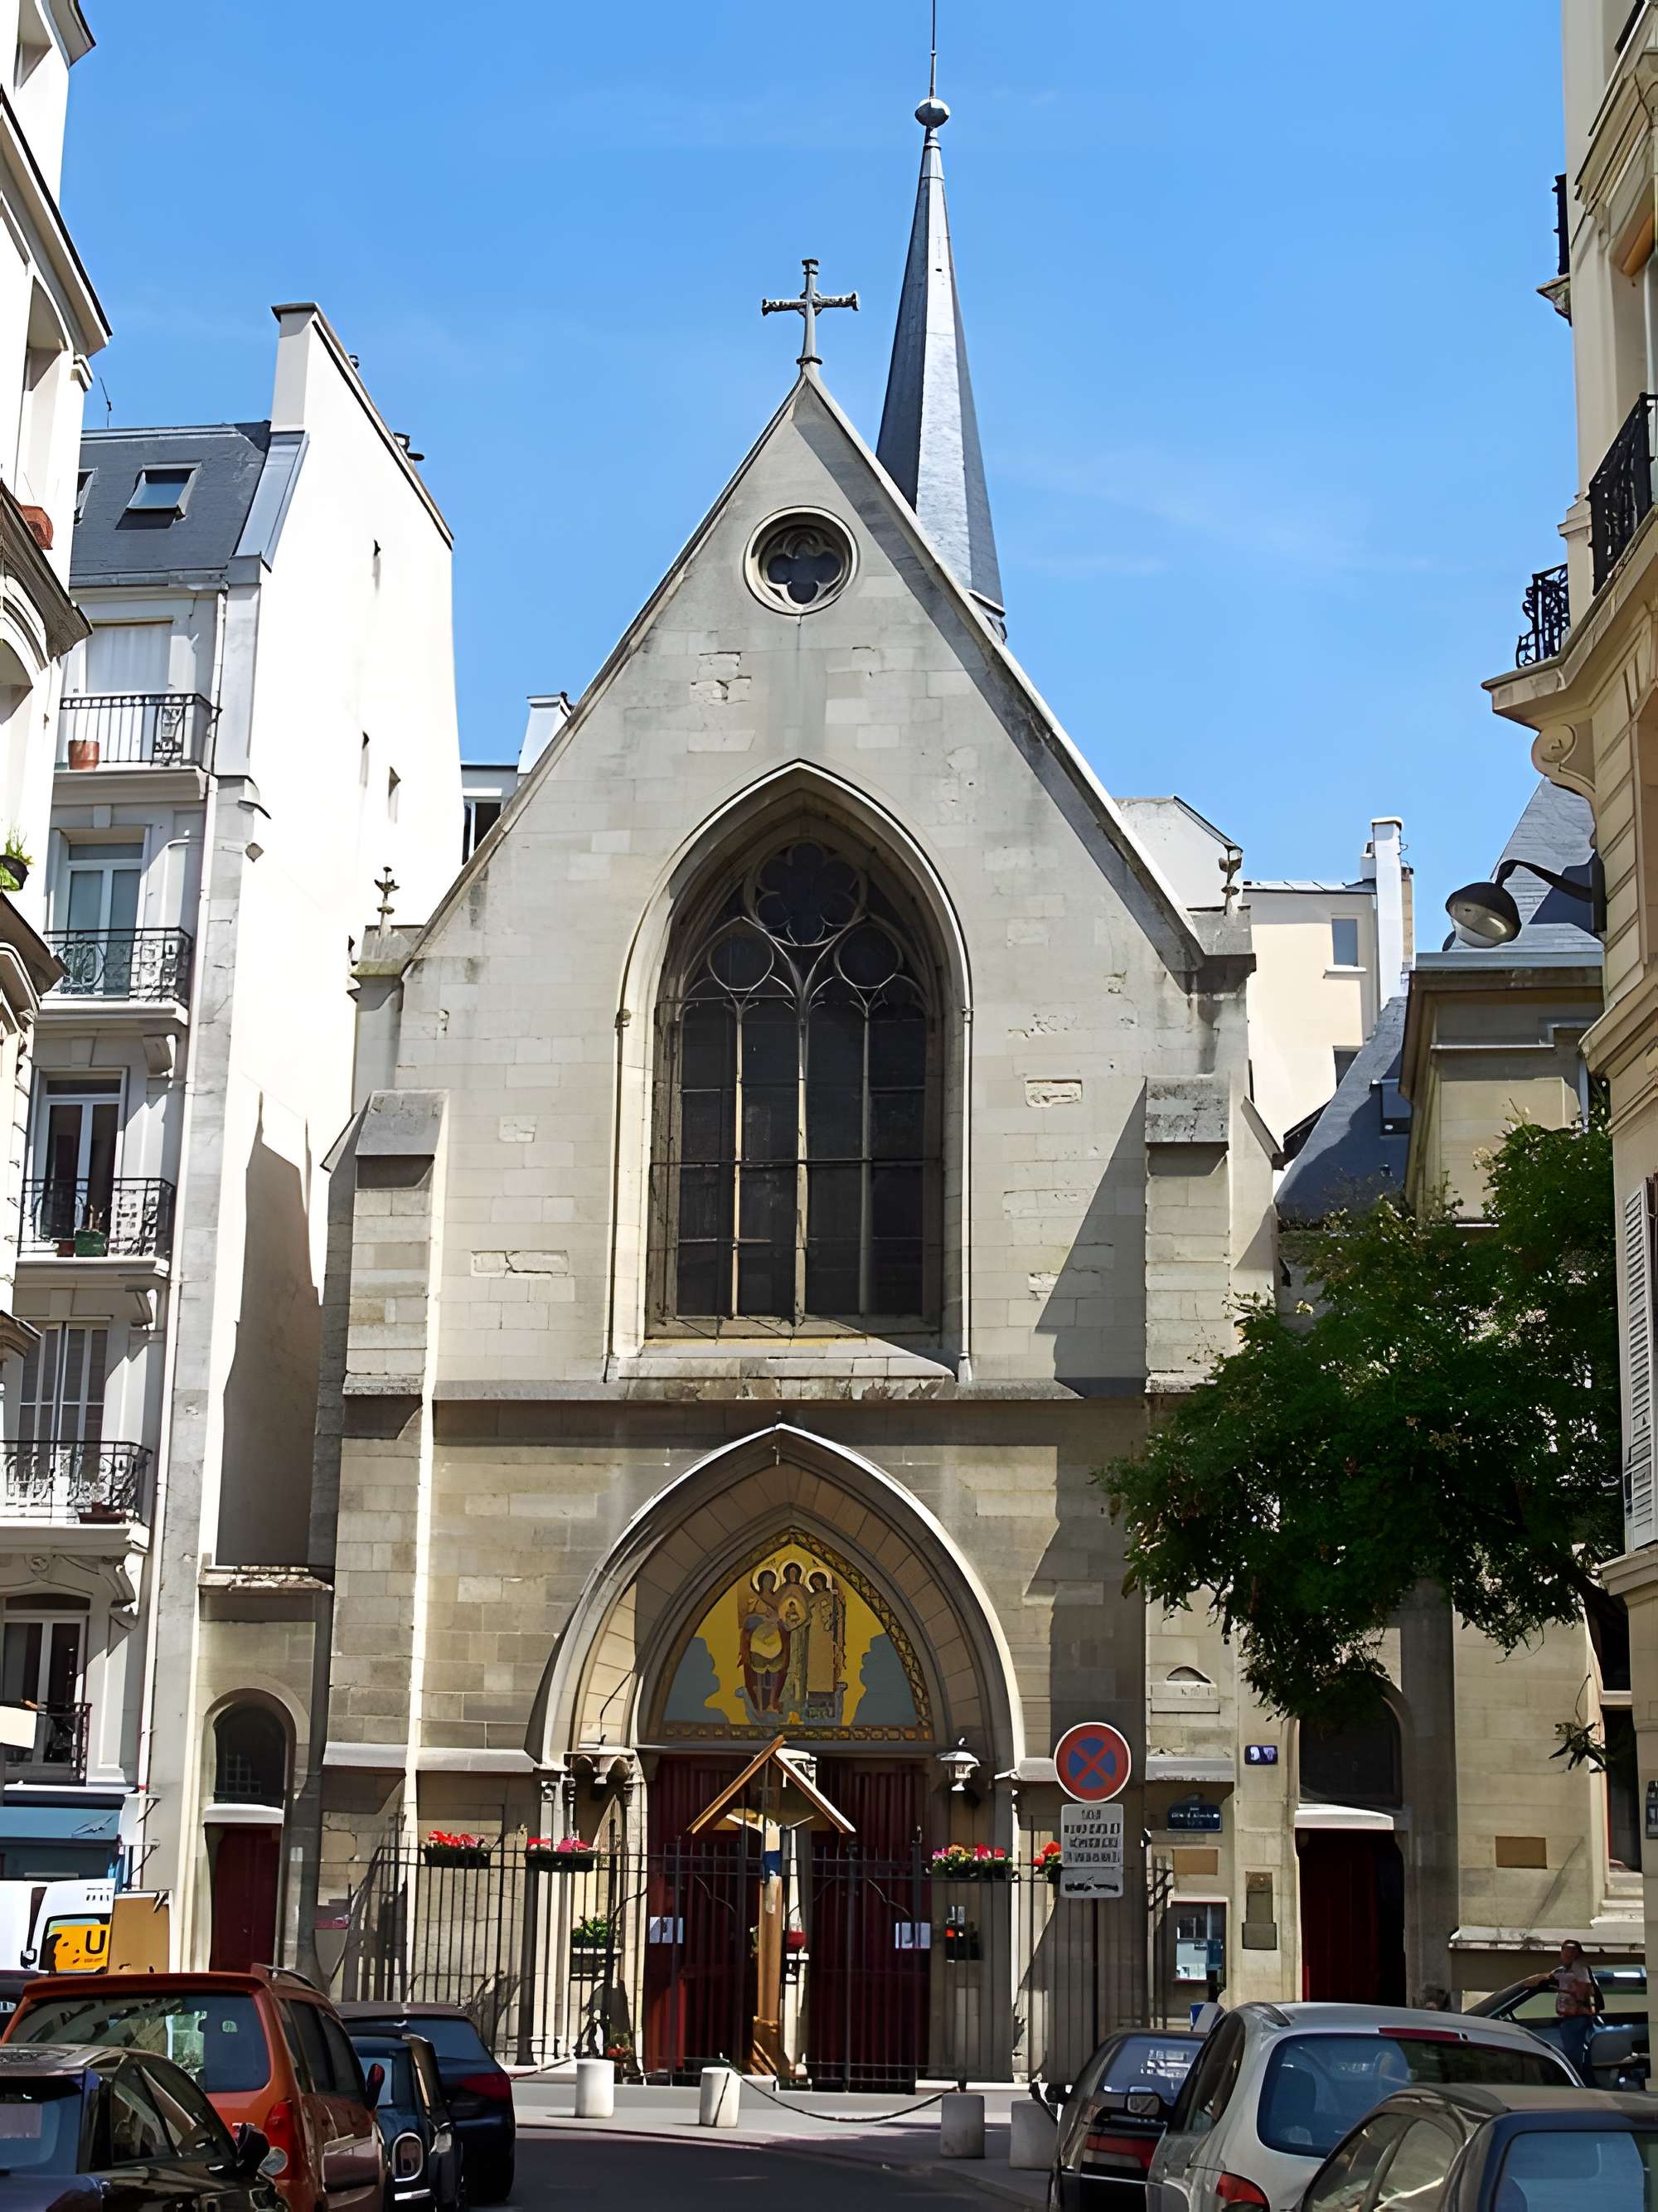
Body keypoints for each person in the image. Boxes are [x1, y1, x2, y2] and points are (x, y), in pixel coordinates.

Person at [1525, 1940, 1602, 2077]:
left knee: (1573, 2056)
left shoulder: (1579, 1968)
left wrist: (1574, 1999)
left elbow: (1583, 1989)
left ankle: (1576, 2081)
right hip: (1572, 2017)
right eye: (1565, 1951)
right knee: (1574, 2053)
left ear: (1576, 1954)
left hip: (1576, 2017)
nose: (1566, 1954)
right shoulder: (1566, 1969)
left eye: (1570, 1951)